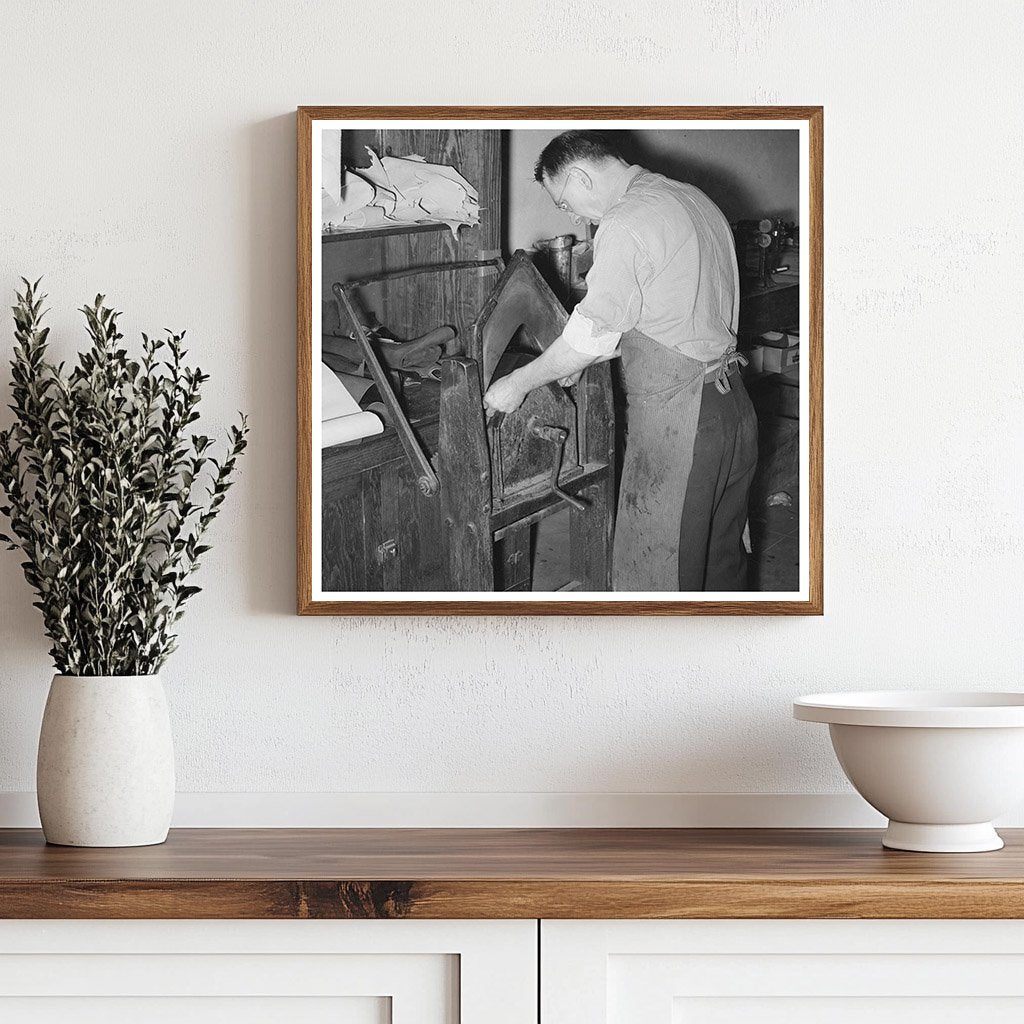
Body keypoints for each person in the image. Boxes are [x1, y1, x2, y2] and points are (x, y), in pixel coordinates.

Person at [483, 131, 758, 592]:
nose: (569, 213)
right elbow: (667, 314)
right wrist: (579, 359)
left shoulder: (625, 222)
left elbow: (591, 334)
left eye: (563, 201)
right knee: (720, 565)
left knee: (661, 574)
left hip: (684, 426)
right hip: (733, 410)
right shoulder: (691, 198)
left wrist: (518, 383)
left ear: (579, 176)